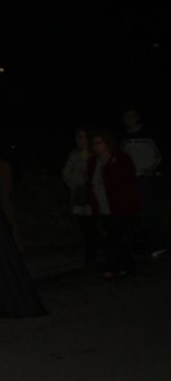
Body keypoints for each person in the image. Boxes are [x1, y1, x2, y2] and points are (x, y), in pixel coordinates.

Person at [87, 129, 141, 280]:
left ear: (107, 144)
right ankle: (118, 265)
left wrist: (132, 206)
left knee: (118, 237)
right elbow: (91, 185)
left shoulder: (121, 159)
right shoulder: (93, 162)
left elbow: (129, 184)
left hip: (120, 205)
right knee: (111, 237)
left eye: (99, 143)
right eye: (94, 143)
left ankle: (120, 267)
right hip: (102, 207)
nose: (96, 146)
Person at [120, 108, 165, 258]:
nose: (128, 119)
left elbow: (160, 156)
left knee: (151, 211)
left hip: (147, 177)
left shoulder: (150, 135)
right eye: (126, 116)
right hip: (131, 179)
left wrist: (153, 169)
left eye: (131, 115)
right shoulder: (123, 138)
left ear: (137, 117)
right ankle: (142, 246)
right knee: (135, 213)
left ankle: (159, 245)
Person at [61, 129, 100, 271]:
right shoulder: (74, 155)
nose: (79, 140)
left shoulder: (95, 154)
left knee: (92, 225)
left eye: (82, 137)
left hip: (94, 195)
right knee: (84, 225)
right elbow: (65, 173)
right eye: (77, 137)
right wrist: (75, 183)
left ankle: (93, 255)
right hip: (78, 194)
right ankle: (93, 253)